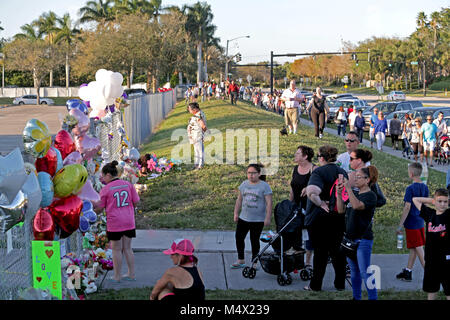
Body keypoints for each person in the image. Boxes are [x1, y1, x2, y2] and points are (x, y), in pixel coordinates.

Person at [304, 145, 348, 291]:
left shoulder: (319, 172)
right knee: (337, 252)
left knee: (321, 253)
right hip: (339, 216)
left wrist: (320, 202)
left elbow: (312, 192)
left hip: (320, 218)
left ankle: (316, 285)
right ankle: (340, 284)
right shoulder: (342, 172)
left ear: (321, 158)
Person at [336, 166, 379, 300]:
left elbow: (357, 206)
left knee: (365, 272)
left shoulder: (370, 195)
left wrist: (348, 188)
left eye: (358, 177)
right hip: (350, 239)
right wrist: (339, 193)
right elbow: (341, 210)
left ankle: (373, 298)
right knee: (354, 272)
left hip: (363, 239)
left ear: (367, 180)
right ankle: (356, 297)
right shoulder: (356, 194)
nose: (355, 179)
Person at [95, 161, 140, 282]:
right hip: (129, 221)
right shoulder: (128, 184)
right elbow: (136, 201)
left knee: (116, 249)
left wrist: (92, 212)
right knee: (128, 248)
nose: (102, 179)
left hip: (115, 223)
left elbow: (100, 208)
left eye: (103, 176)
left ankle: (117, 276)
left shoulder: (106, 189)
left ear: (108, 175)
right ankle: (131, 274)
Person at [231, 164, 273, 269]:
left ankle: (254, 263)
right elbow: (239, 200)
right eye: (249, 173)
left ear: (259, 174)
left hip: (257, 220)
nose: (251, 175)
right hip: (243, 218)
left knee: (254, 240)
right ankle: (241, 260)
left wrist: (267, 217)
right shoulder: (244, 184)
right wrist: (236, 213)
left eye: (253, 173)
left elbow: (269, 203)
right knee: (239, 238)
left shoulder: (264, 186)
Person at [412, 189, 450, 300]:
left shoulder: (448, 214)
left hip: (446, 259)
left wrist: (443, 200)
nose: (442, 204)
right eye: (440, 201)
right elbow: (415, 200)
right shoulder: (430, 214)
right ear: (434, 202)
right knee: (431, 289)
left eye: (445, 202)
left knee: (448, 290)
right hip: (431, 258)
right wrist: (432, 200)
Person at [396, 162, 428, 282]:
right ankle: (408, 271)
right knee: (414, 247)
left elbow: (407, 207)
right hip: (420, 221)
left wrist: (400, 225)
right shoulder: (425, 187)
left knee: (418, 248)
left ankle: (430, 274)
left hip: (411, 223)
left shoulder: (410, 189)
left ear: (411, 173)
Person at [289, 146, 318, 265]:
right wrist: (289, 204)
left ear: (305, 156)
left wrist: (308, 187)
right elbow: (292, 187)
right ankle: (297, 260)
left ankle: (307, 262)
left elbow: (320, 186)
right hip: (296, 205)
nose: (295, 155)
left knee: (308, 234)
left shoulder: (314, 169)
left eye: (298, 153)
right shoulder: (296, 168)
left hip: (309, 207)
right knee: (296, 233)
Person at [187, 102, 207, 170]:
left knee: (199, 150)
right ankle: (196, 164)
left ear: (195, 109)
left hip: (197, 135)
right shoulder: (197, 114)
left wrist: (202, 133)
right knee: (196, 150)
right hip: (195, 136)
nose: (189, 111)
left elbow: (203, 125)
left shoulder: (198, 115)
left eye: (190, 109)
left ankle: (200, 165)